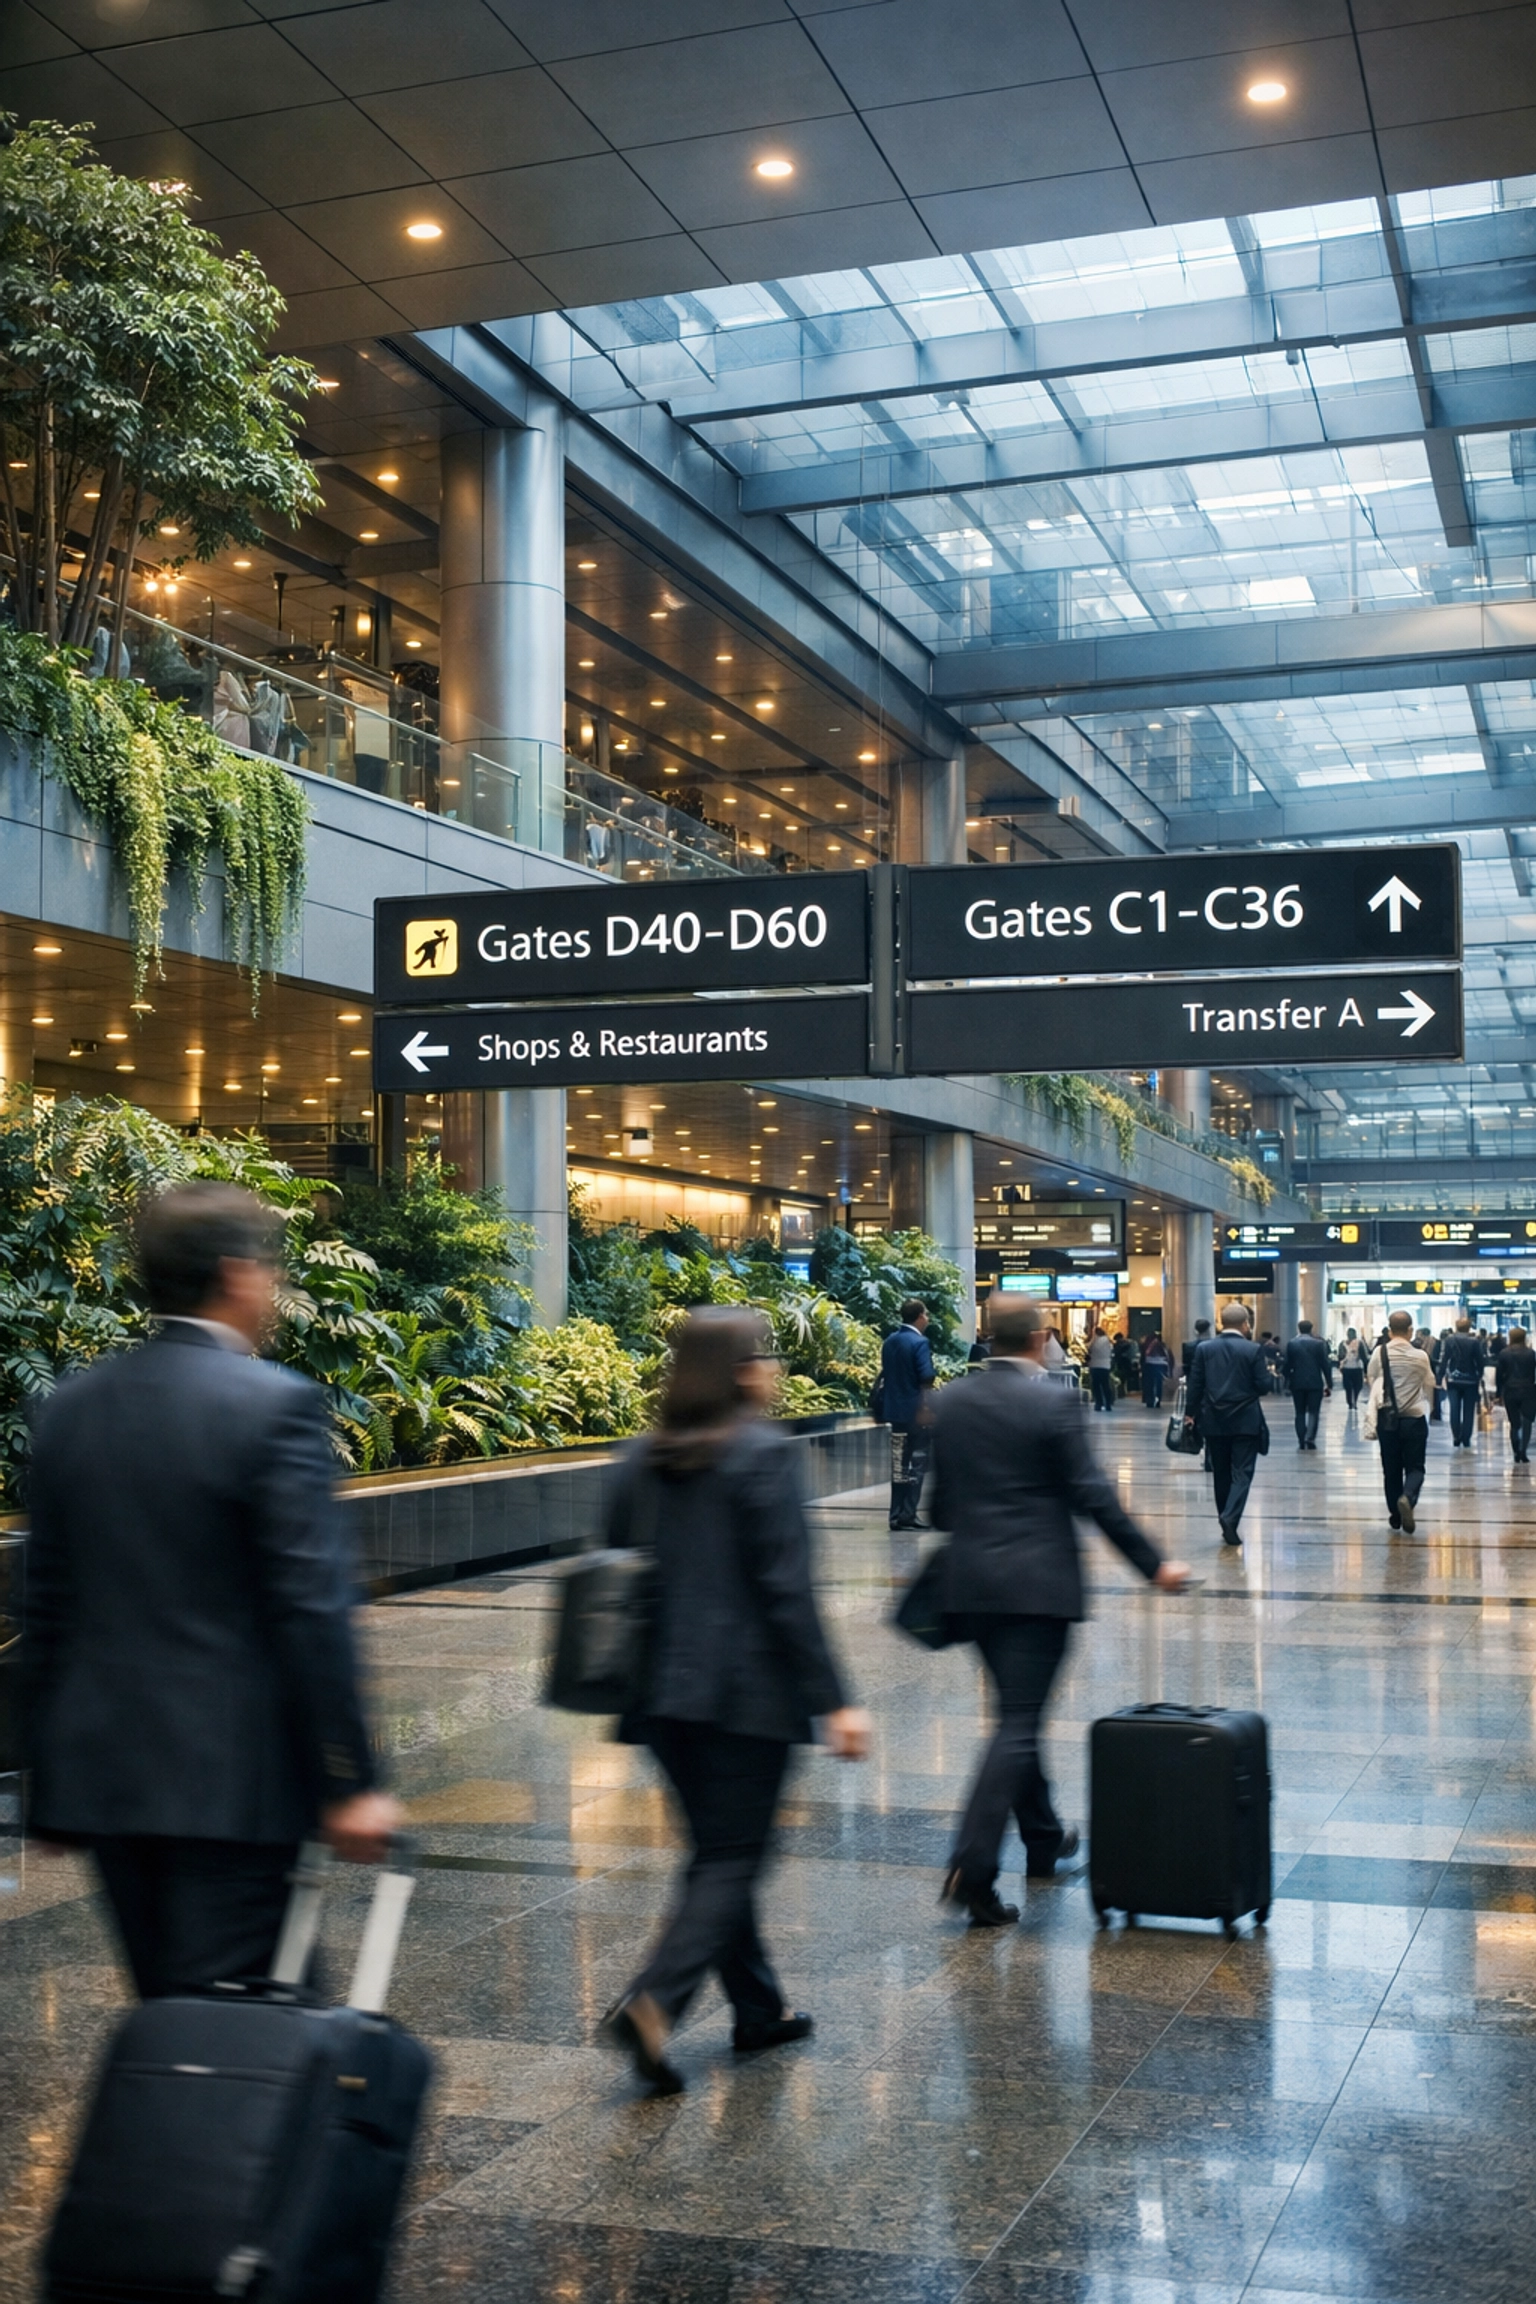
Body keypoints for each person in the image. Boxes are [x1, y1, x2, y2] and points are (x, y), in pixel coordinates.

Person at [22, 1184, 399, 2001]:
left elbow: (43, 1607)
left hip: (110, 1784)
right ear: (236, 1274)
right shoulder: (274, 1407)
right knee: (255, 2040)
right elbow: (310, 1608)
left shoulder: (73, 1407)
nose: (274, 1289)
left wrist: (47, 1788)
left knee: (176, 2015)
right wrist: (350, 1782)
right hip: (234, 1786)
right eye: (270, 1269)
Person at [599, 1308, 868, 2093]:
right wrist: (836, 1701)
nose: (775, 1370)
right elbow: (787, 1592)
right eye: (766, 1357)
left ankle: (759, 2009)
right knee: (732, 1856)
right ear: (742, 1370)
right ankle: (654, 2003)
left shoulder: (636, 1459)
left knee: (719, 1851)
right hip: (746, 1694)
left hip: (657, 1692)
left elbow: (615, 1570)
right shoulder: (763, 1457)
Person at [926, 1294, 1189, 1927]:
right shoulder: (1053, 1400)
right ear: (1042, 1338)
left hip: (969, 1586)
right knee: (1018, 1723)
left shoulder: (952, 1399)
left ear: (988, 1338)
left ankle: (1043, 1838)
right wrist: (1152, 1563)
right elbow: (1092, 1493)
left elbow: (939, 1507)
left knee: (1016, 1716)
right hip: (1037, 1588)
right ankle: (973, 1863)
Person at [1185, 1302, 1272, 1546]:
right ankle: (1230, 1517)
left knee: (1220, 1473)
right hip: (1245, 1420)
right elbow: (1264, 1385)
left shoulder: (1204, 1349)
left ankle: (1225, 1518)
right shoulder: (1253, 1350)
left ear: (1222, 1323)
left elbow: (1196, 1385)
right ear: (1245, 1324)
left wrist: (1190, 1413)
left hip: (1213, 1420)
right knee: (1242, 1472)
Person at [1364, 1310, 1436, 1533]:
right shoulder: (1420, 1356)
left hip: (1388, 1421)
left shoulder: (1380, 1352)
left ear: (1389, 1329)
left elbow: (1371, 1378)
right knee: (1415, 1468)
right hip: (1414, 1419)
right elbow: (1429, 1384)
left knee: (1391, 1469)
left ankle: (1395, 1514)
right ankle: (1408, 1498)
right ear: (1410, 1330)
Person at [880, 1297, 935, 1530]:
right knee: (917, 1464)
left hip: (894, 1413)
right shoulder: (919, 1343)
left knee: (898, 1465)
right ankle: (908, 1514)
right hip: (916, 1414)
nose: (928, 1318)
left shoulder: (890, 1341)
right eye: (926, 1315)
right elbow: (927, 1375)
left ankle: (895, 1515)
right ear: (920, 1316)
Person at [1281, 1319, 1333, 1451]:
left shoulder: (1292, 1343)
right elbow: (1324, 1364)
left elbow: (1288, 1364)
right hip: (1315, 1382)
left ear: (1299, 1329)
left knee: (1299, 1412)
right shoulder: (1319, 1344)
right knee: (1314, 1412)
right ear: (1311, 1329)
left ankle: (1301, 1439)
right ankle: (1310, 1438)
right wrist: (1329, 1381)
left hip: (1297, 1382)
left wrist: (1286, 1379)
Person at [1443, 1317, 1486, 1449]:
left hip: (1453, 1379)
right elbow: (1480, 1360)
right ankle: (1466, 1438)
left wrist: (1440, 1377)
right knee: (1469, 1410)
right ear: (1469, 1327)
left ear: (1456, 1327)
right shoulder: (1475, 1341)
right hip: (1470, 1380)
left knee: (1454, 1409)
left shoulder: (1449, 1340)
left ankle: (1456, 1436)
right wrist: (1479, 1374)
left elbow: (1445, 1359)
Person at [1496, 1327, 1536, 1464]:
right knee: (1527, 1421)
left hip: (1510, 1390)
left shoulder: (1504, 1353)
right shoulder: (1531, 1353)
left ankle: (1515, 1452)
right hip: (1528, 1390)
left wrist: (1498, 1392)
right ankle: (1524, 1451)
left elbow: (1499, 1375)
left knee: (1514, 1423)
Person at [1141, 1332, 1173, 1409]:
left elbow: (1144, 1355)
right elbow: (1169, 1356)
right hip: (1161, 1365)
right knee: (1159, 1384)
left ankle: (1150, 1401)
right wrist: (1169, 1370)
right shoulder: (1162, 1345)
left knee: (1149, 1384)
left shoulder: (1146, 1344)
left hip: (1149, 1365)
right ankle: (1158, 1400)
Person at [1086, 1325, 1114, 1411]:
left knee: (1096, 1386)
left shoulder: (1095, 1340)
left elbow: (1089, 1348)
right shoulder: (1107, 1340)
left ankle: (1098, 1403)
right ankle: (1108, 1404)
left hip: (1095, 1365)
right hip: (1105, 1366)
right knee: (1106, 1385)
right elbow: (1111, 1350)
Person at [1338, 1329, 1365, 1414]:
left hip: (1349, 1368)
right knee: (1354, 1386)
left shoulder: (1344, 1344)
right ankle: (1352, 1401)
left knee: (1352, 1386)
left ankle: (1351, 1401)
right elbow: (1363, 1355)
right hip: (1353, 1367)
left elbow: (1340, 1356)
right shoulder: (1358, 1343)